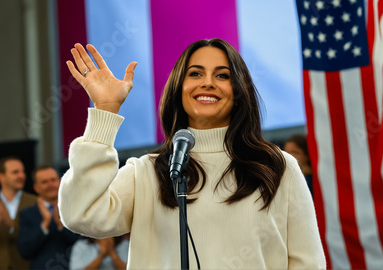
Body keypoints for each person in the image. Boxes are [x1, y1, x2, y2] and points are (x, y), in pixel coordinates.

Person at [58, 39, 326, 269]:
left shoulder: (278, 167)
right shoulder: (147, 171)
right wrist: (105, 111)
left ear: (239, 91)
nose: (208, 83)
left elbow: (307, 262)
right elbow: (81, 214)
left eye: (222, 75)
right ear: (179, 87)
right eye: (195, 74)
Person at [18, 165, 80, 270]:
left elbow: (85, 243)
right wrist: (44, 225)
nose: (50, 184)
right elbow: (25, 252)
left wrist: (61, 224)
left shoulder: (76, 208)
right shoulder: (26, 214)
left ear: (60, 182)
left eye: (53, 180)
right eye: (44, 182)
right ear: (36, 187)